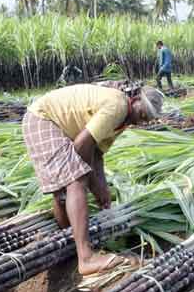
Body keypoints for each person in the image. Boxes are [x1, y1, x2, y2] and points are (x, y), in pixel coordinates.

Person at [23, 83, 164, 275]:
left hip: (43, 120)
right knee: (77, 180)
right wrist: (94, 183)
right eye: (144, 114)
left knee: (65, 188)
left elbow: (96, 152)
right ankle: (86, 257)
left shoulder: (123, 119)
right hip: (43, 119)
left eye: (148, 119)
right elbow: (82, 145)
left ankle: (70, 240)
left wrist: (103, 187)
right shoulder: (118, 106)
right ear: (136, 99)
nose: (143, 121)